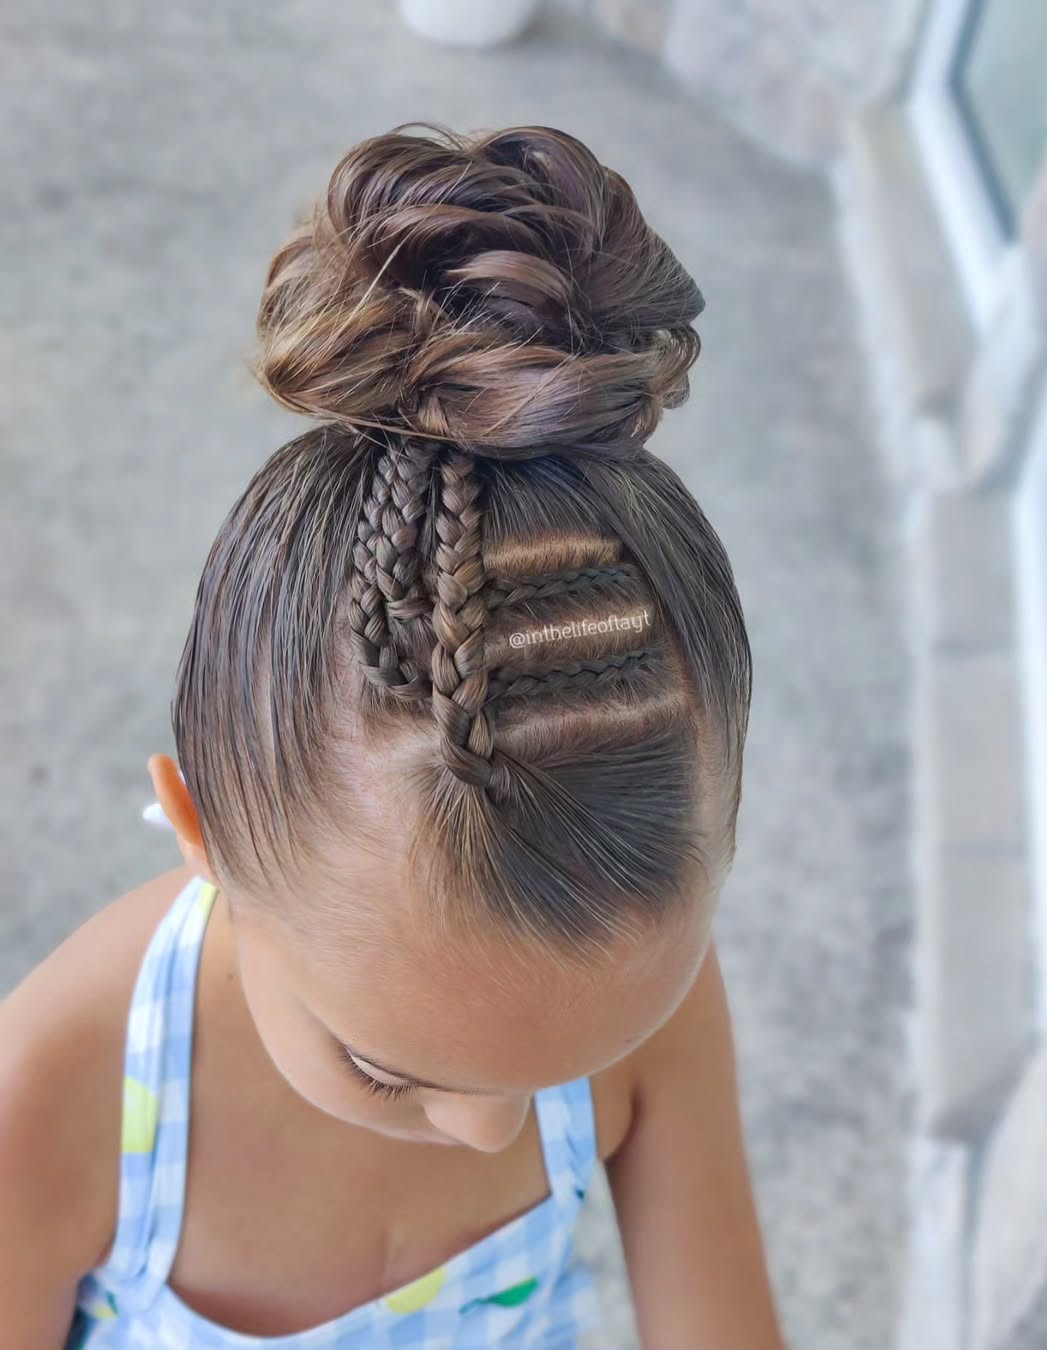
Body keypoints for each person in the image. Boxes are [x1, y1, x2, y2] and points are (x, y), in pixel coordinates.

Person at [0, 121, 786, 1350]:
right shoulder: (63, 1087)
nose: (494, 1128)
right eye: (384, 1070)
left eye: (563, 1071)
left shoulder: (653, 1000)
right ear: (201, 827)